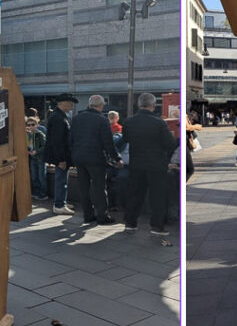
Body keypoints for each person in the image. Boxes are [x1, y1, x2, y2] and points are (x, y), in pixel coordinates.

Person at [121, 93, 179, 236]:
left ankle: (130, 223)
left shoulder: (128, 121)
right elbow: (170, 144)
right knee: (157, 196)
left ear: (138, 104)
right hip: (156, 164)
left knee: (135, 194)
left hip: (136, 163)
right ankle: (156, 226)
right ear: (153, 106)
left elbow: (125, 138)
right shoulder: (159, 123)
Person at [70, 94, 122, 227]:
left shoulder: (76, 118)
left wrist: (73, 155)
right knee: (99, 188)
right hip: (95, 158)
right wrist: (117, 158)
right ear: (101, 105)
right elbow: (108, 143)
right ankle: (102, 216)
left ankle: (88, 215)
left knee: (84, 187)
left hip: (79, 158)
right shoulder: (101, 120)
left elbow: (70, 139)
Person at [43, 93, 77, 215]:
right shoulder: (58, 117)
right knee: (61, 180)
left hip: (62, 155)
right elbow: (57, 141)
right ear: (63, 103)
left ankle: (62, 201)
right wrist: (61, 159)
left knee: (63, 179)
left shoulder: (59, 116)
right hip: (61, 156)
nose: (72, 105)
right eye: (70, 103)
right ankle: (59, 204)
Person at [26, 117, 48, 200]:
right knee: (34, 176)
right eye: (29, 125)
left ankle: (43, 194)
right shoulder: (28, 135)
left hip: (40, 158)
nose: (31, 126)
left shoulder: (40, 134)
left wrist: (37, 151)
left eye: (33, 124)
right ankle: (37, 192)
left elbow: (45, 146)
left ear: (37, 125)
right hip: (32, 158)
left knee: (41, 176)